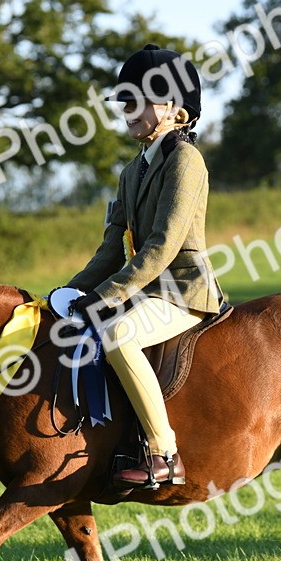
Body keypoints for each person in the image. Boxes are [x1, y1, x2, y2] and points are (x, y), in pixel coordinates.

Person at [63, 44, 225, 487]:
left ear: (175, 110)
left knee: (118, 334)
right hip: (145, 289)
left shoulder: (186, 162)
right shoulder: (131, 172)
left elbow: (163, 245)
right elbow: (110, 249)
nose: (128, 110)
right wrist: (69, 293)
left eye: (139, 100)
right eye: (125, 101)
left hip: (183, 291)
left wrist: (106, 297)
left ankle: (163, 453)